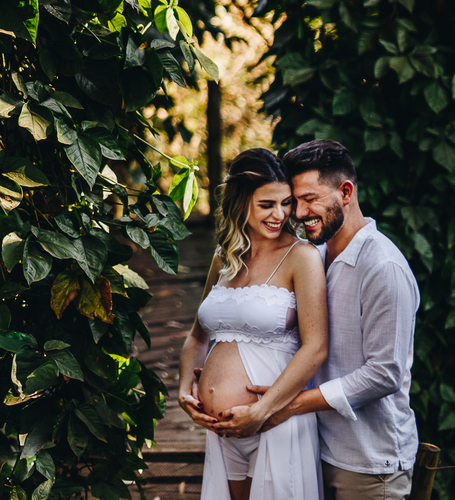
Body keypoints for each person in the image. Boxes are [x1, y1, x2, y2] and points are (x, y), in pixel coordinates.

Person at [214, 139, 421, 500]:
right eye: (296, 201)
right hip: (314, 444)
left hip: (367, 458)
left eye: (310, 199)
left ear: (346, 192)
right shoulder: (315, 254)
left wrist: (283, 406)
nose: (298, 212)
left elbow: (384, 372)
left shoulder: (382, 267)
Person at [177, 148, 328, 500]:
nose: (280, 214)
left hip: (274, 420)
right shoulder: (224, 257)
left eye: (286, 203)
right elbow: (197, 337)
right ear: (241, 201)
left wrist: (261, 410)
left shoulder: (301, 257)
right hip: (222, 430)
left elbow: (316, 347)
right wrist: (185, 388)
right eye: (267, 205)